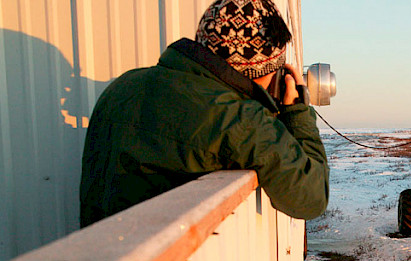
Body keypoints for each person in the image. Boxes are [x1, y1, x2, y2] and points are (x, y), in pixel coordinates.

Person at [80, 0, 329, 228]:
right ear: (259, 71)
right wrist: (297, 111)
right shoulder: (241, 119)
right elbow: (311, 197)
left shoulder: (122, 87)